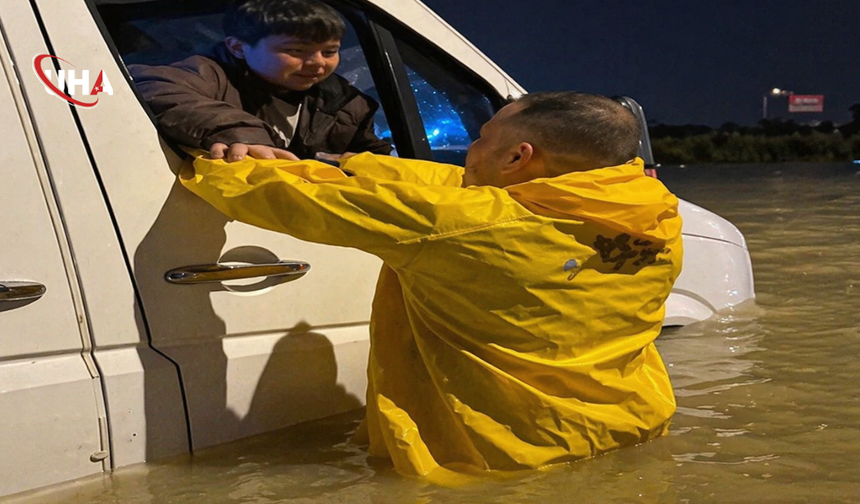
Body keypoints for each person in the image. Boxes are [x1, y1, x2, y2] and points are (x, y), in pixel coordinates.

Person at [180, 92, 683, 482]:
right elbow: (449, 187)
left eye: (483, 138)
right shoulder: (654, 217)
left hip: (500, 456)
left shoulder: (462, 227)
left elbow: (284, 202)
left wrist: (216, 161)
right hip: (629, 427)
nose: (471, 148)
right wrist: (350, 164)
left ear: (517, 158)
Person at [129, 0, 391, 162]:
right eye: (297, 51)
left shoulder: (347, 103)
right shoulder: (212, 74)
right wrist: (244, 136)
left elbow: (376, 156)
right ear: (238, 47)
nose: (318, 63)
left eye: (330, 52)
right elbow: (149, 84)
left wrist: (364, 166)